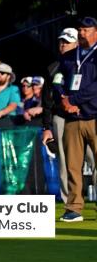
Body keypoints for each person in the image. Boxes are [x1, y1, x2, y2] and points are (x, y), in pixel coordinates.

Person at [54, 16, 97, 222]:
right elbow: (58, 79)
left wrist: (74, 99)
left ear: (95, 32)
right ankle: (74, 208)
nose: (82, 33)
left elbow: (95, 87)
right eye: (80, 29)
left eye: (86, 30)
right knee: (72, 165)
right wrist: (63, 99)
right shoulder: (69, 56)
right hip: (72, 117)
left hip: (94, 115)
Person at [42, 27, 85, 203]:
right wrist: (46, 126)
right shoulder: (53, 67)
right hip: (62, 117)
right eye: (61, 41)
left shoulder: (89, 62)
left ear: (77, 43)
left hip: (88, 115)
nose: (63, 44)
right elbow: (46, 100)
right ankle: (71, 202)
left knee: (93, 157)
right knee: (66, 161)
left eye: (67, 41)